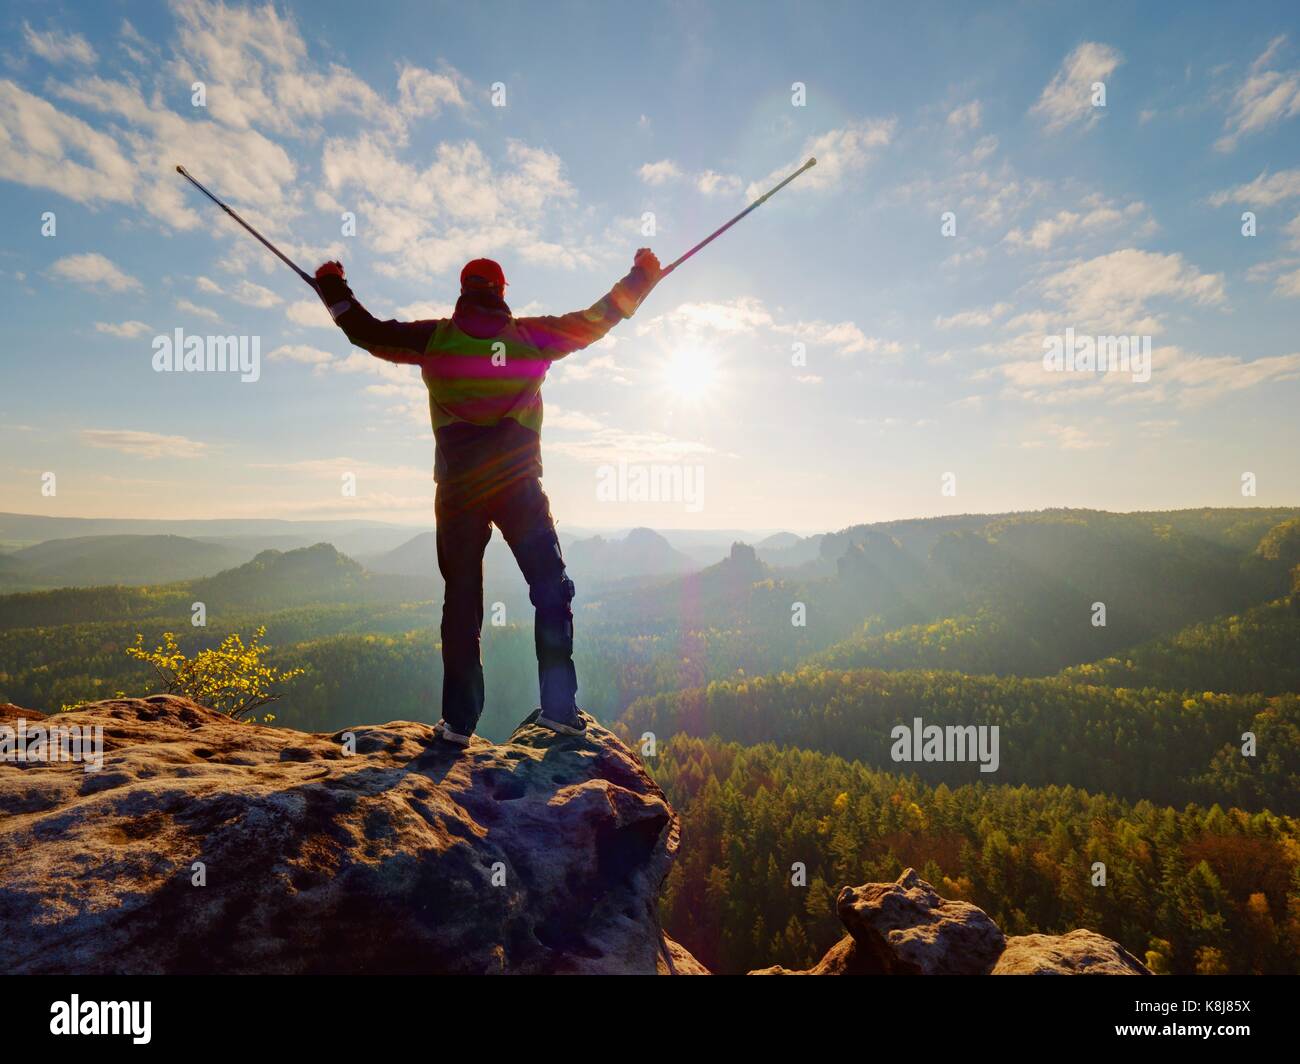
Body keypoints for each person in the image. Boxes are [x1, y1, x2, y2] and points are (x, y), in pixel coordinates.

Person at [314, 249, 661, 746]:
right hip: (518, 485)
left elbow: (364, 330)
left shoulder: (433, 339)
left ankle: (457, 724)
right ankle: (560, 710)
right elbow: (601, 317)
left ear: (463, 291)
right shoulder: (529, 337)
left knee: (461, 600)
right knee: (549, 588)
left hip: (458, 490)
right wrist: (643, 275)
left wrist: (332, 285)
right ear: (501, 292)